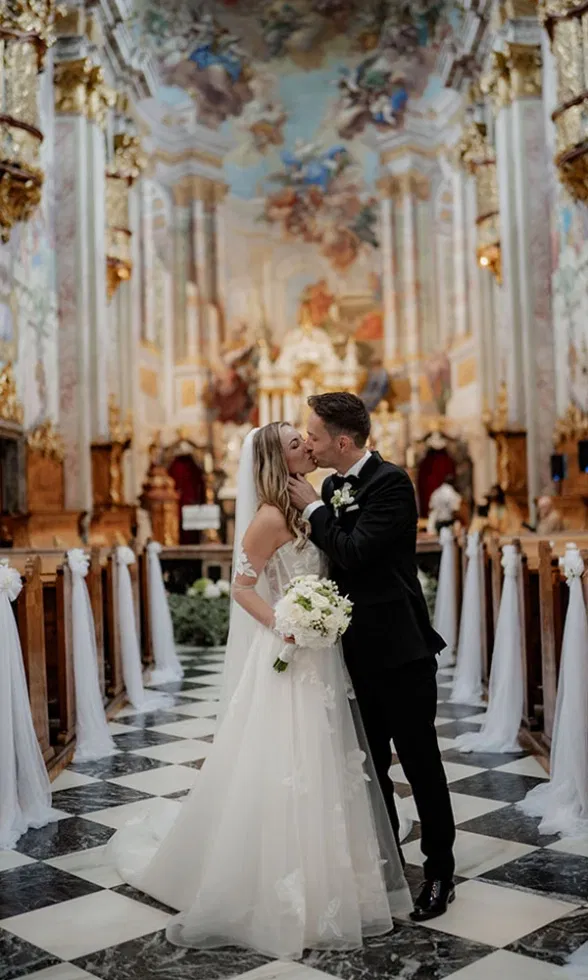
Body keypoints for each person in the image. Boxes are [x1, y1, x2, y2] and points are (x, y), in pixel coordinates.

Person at [108, 422, 411, 961]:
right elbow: (243, 587)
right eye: (296, 443)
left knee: (331, 759)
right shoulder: (270, 517)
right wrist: (285, 624)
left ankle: (340, 874)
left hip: (325, 656)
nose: (307, 446)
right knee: (289, 759)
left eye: (306, 438)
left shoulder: (313, 504)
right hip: (290, 656)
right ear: (277, 460)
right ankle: (285, 882)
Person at [289, 392, 456, 922]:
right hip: (351, 651)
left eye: (314, 436)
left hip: (400, 650)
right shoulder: (331, 486)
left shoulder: (391, 483)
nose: (309, 444)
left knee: (421, 763)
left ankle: (440, 872)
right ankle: (389, 867)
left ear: (342, 442)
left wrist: (314, 509)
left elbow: (357, 552)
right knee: (369, 766)